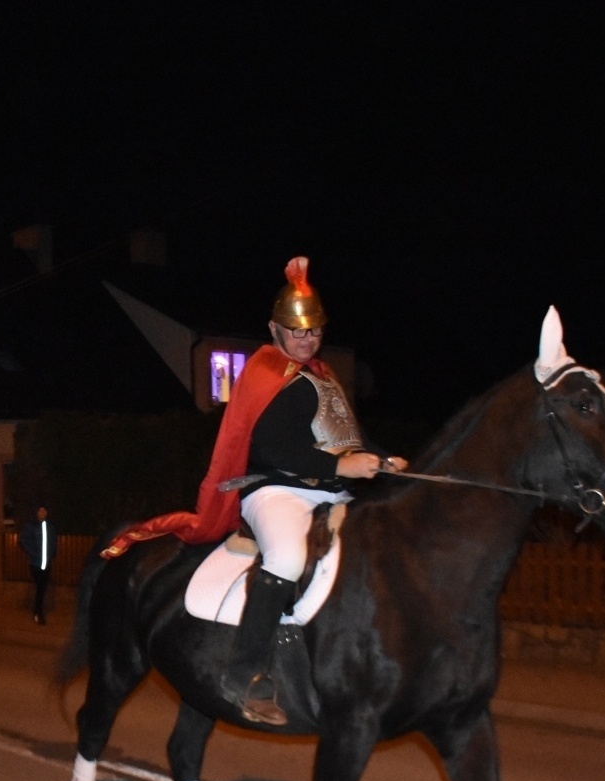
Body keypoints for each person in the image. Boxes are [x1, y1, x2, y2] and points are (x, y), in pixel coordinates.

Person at [102, 257, 406, 726]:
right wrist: (341, 464)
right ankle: (243, 673)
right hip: (276, 489)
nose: (307, 339)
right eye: (297, 331)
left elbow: (349, 437)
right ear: (274, 329)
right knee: (285, 557)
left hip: (331, 492)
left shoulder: (325, 378)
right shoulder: (268, 374)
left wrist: (384, 461)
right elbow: (275, 448)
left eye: (315, 331)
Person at [19, 505, 58, 624]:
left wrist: (52, 554)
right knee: (40, 587)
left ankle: (37, 611)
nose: (42, 512)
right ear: (36, 512)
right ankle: (38, 613)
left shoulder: (51, 527)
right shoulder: (31, 526)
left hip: (46, 563)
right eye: (40, 510)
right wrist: (34, 553)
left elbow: (54, 542)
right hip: (35, 563)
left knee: (42, 588)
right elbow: (23, 541)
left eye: (44, 510)